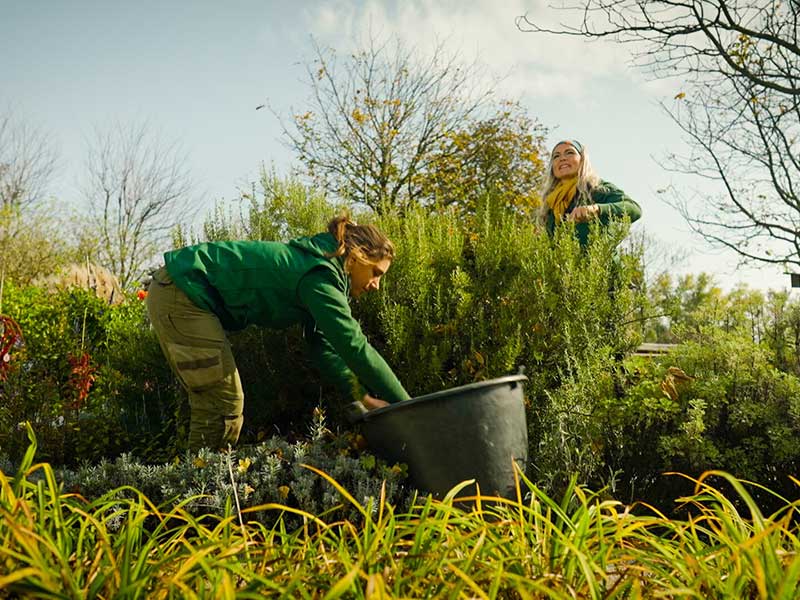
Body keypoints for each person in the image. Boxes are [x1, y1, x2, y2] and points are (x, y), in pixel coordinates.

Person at [145, 216, 410, 451]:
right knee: (223, 406)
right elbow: (355, 346)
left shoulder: (322, 272)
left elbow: (322, 345)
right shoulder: (320, 276)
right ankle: (197, 497)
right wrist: (410, 408)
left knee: (217, 404)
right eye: (376, 272)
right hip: (182, 292)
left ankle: (199, 491)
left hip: (181, 291)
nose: (376, 285)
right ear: (356, 256)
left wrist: (361, 397)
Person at [537, 139, 641, 246]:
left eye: (569, 153)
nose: (562, 158)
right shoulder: (549, 204)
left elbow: (634, 209)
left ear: (582, 159)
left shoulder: (597, 188)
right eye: (556, 156)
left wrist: (596, 209)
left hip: (600, 262)